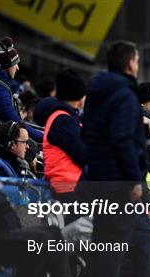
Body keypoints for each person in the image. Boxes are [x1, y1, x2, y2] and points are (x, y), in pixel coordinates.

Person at [0, 108, 101, 277]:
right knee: (43, 240)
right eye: (24, 143)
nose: (29, 148)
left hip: (1, 226)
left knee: (51, 233)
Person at [81, 40, 148, 277]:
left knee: (100, 241)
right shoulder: (126, 95)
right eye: (137, 60)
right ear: (130, 64)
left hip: (96, 176)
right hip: (119, 181)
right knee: (114, 244)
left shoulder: (97, 92)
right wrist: (134, 178)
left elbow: (87, 133)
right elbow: (123, 138)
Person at [34, 69, 87, 201]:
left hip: (72, 188)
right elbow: (85, 155)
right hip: (68, 191)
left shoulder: (65, 118)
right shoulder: (63, 121)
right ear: (79, 97)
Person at [0, 37, 42, 142]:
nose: (17, 68)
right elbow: (17, 125)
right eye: (15, 64)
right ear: (6, 66)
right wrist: (45, 138)